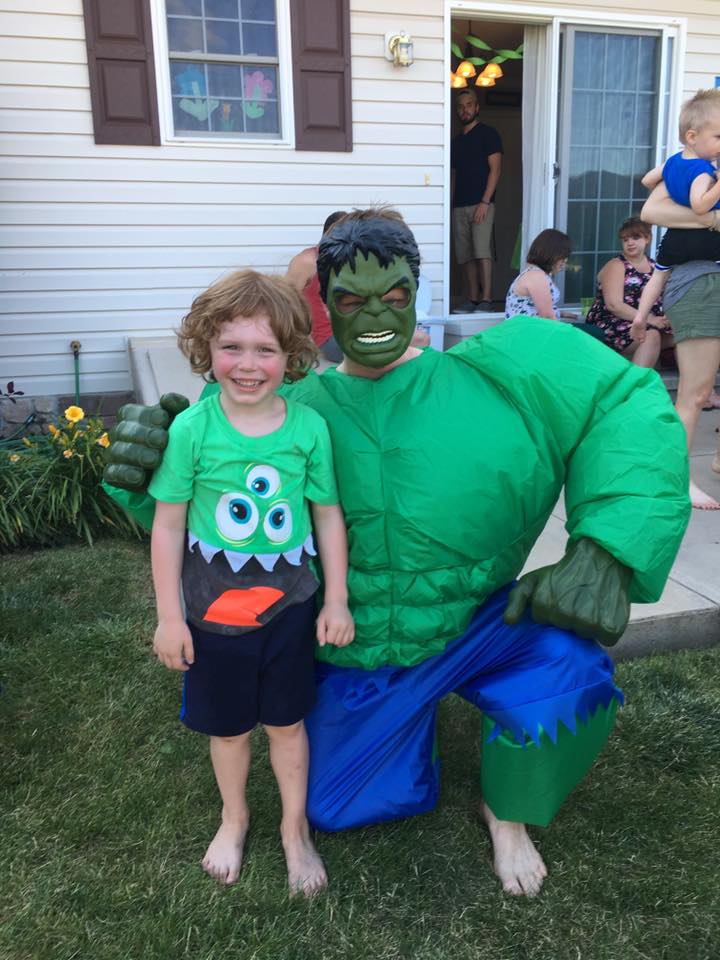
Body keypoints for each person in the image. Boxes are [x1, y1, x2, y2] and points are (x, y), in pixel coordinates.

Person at [105, 209, 690, 898]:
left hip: (481, 623)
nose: (376, 314)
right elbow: (222, 511)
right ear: (325, 304)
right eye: (352, 300)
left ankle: (508, 812)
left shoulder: (507, 374)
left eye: (394, 294)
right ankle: (406, 722)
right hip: (357, 649)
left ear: (417, 291)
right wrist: (147, 475)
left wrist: (610, 547)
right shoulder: (288, 413)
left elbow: (623, 400)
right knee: (340, 805)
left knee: (572, 673)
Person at [148, 270, 354, 894]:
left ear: (291, 355)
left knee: (287, 724)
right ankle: (233, 817)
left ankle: (294, 829)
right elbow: (168, 527)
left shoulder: (307, 428)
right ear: (206, 349)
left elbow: (327, 516)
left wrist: (336, 599)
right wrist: (169, 617)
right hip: (212, 614)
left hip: (291, 608)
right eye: (231, 347)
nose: (247, 364)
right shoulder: (193, 430)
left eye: (265, 349)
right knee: (230, 728)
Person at [642, 182, 720, 509]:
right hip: (701, 285)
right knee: (695, 394)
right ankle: (678, 479)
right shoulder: (692, 171)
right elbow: (651, 210)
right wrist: (712, 218)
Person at [631, 88, 720, 341]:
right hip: (705, 238)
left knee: (658, 275)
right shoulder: (702, 170)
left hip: (675, 237)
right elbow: (700, 205)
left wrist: (672, 183)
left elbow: (647, 180)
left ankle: (640, 316)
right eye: (718, 137)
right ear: (692, 136)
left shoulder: (672, 161)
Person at [585, 217, 671, 367]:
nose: (630, 243)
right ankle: (635, 380)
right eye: (625, 239)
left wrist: (666, 318)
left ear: (647, 238)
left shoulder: (655, 267)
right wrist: (650, 319)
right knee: (650, 335)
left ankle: (695, 380)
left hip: (646, 322)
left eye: (635, 237)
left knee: (687, 334)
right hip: (613, 323)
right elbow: (614, 305)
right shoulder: (617, 265)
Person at [451, 89, 503, 313]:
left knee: (482, 251)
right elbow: (454, 174)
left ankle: (487, 299)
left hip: (482, 203)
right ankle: (472, 298)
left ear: (477, 107)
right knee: (465, 254)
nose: (465, 110)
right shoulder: (456, 141)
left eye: (469, 105)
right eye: (460, 107)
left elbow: (496, 169)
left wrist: (485, 201)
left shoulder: (488, 134)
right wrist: (450, 204)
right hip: (459, 205)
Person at [286, 211, 347, 363]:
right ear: (328, 233)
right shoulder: (308, 261)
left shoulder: (347, 259)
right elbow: (285, 301)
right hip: (330, 338)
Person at [504, 229, 578, 321]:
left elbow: (531, 308)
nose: (565, 260)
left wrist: (561, 314)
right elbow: (547, 317)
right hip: (529, 329)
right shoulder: (536, 276)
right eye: (562, 256)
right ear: (550, 254)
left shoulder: (535, 273)